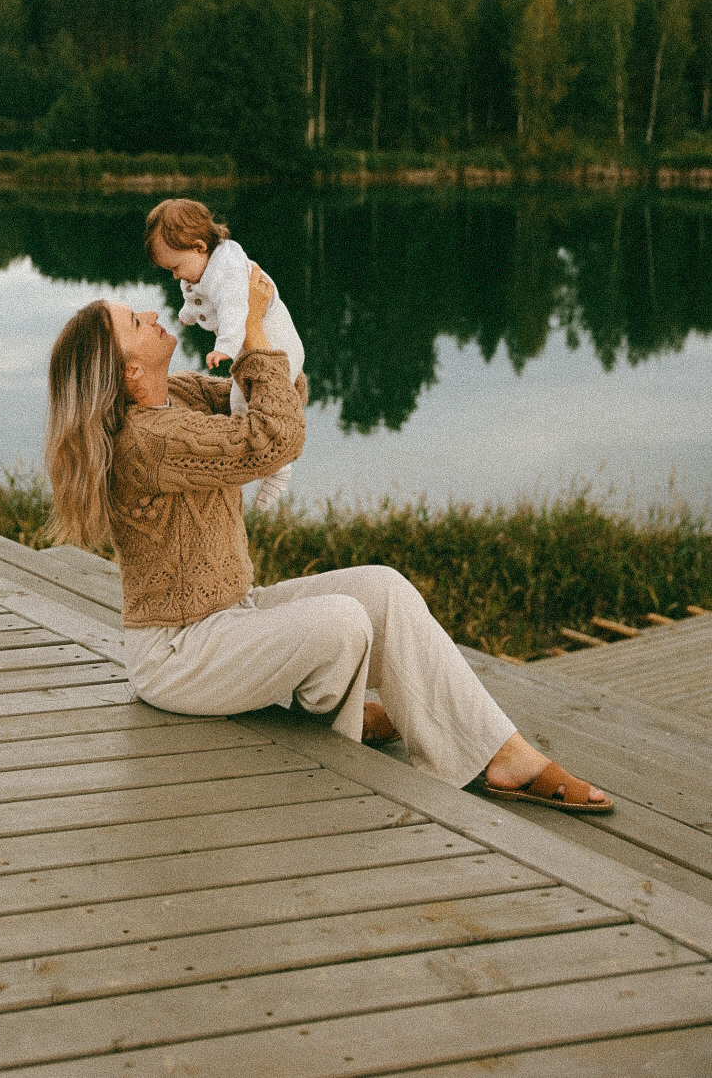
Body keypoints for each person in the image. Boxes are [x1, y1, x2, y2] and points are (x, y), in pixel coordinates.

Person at [45, 267, 612, 812]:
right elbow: (271, 439)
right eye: (135, 323)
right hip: (180, 653)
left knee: (384, 589)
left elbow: (277, 400)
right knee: (342, 620)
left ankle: (501, 753)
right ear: (128, 372)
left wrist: (244, 311)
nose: (150, 315)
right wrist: (255, 332)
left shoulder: (180, 395)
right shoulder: (147, 439)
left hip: (233, 615)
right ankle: (339, 719)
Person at [144, 196, 304, 510]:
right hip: (258, 342)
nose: (175, 276)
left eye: (175, 267)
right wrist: (189, 313)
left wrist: (224, 348)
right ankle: (266, 458)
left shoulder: (228, 272)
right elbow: (194, 293)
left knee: (241, 404)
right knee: (240, 400)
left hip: (275, 346)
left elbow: (234, 312)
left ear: (199, 247)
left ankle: (278, 465)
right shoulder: (202, 266)